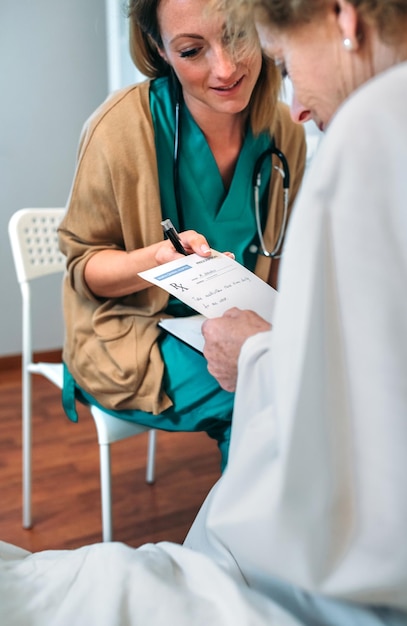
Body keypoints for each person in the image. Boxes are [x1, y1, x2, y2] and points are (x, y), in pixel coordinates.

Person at [183, 0, 407, 624]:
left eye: (282, 62)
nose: (298, 104)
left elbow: (357, 495)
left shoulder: (373, 129)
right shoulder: (125, 127)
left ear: (344, 16)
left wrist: (258, 354)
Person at [57, 0, 306, 471]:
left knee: (300, 374)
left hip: (233, 321)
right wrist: (154, 260)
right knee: (266, 389)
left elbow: (279, 256)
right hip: (133, 335)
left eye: (236, 34)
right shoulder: (121, 130)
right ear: (160, 49)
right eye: (193, 50)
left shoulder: (283, 130)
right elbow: (83, 271)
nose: (226, 68)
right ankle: (249, 543)